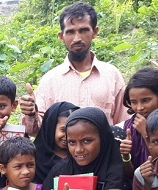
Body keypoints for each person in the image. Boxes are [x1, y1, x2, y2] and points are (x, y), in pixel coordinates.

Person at [19, 2, 127, 137]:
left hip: (104, 156)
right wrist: (30, 113)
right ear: (61, 36)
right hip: (63, 157)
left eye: (83, 30)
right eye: (70, 32)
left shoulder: (112, 75)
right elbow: (35, 131)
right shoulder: (50, 80)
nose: (77, 38)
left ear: (95, 32)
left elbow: (124, 124)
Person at [120, 67, 158, 180]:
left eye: (145, 100)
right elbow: (130, 175)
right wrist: (126, 156)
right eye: (134, 102)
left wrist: (146, 133)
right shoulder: (126, 128)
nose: (139, 108)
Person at [33, 101, 79, 184]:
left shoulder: (81, 156)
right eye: (63, 130)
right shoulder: (33, 157)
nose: (68, 136)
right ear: (51, 127)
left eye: (74, 131)